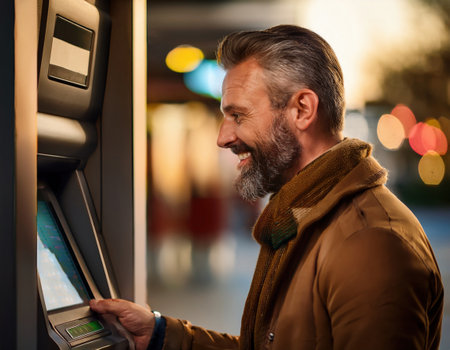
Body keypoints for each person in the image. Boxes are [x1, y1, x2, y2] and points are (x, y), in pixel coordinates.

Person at [90, 25, 444, 350]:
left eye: (238, 116)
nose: (223, 137)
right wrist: (162, 335)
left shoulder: (370, 244)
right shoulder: (305, 213)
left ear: (302, 110)